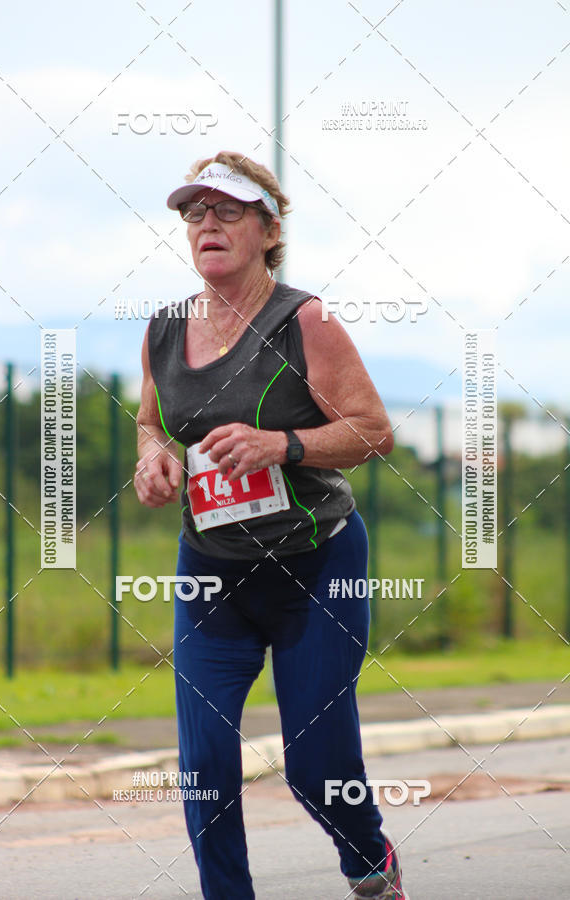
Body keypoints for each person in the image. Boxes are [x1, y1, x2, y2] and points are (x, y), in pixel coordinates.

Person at [133, 150, 408, 900]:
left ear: (268, 228)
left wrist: (280, 445)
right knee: (205, 764)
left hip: (315, 565)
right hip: (212, 571)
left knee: (317, 769)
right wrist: (153, 460)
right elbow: (152, 421)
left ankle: (369, 862)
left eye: (225, 211)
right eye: (194, 212)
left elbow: (374, 431)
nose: (206, 224)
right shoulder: (165, 329)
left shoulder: (304, 321)